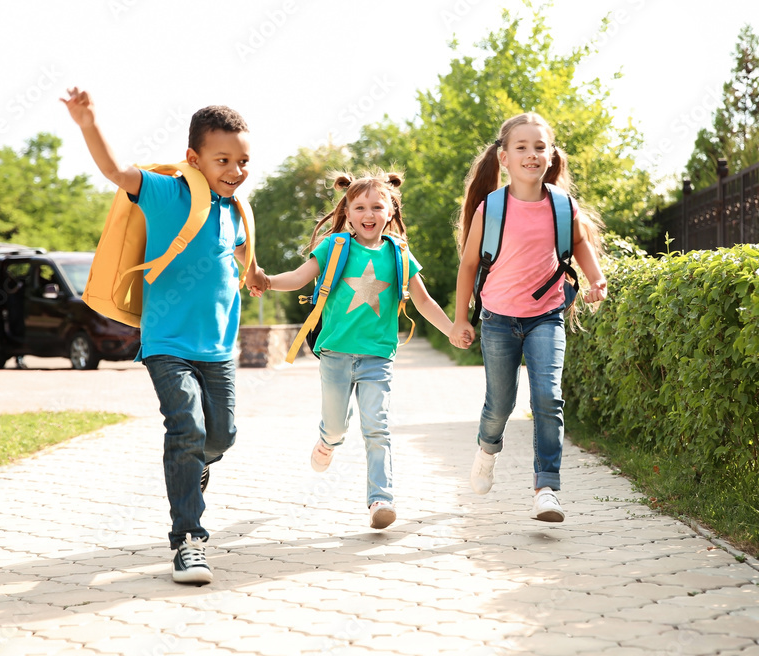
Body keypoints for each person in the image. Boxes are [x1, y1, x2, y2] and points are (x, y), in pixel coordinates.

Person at [62, 87, 268, 585]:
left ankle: (192, 465)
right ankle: (189, 541)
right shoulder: (165, 191)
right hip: (167, 344)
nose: (235, 170)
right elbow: (115, 172)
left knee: (221, 436)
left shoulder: (235, 212)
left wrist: (256, 273)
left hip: (218, 348)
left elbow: (238, 255)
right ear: (194, 158)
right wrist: (88, 122)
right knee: (187, 430)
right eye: (223, 160)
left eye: (243, 161)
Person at [257, 170, 469, 529]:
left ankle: (380, 500)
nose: (368, 214)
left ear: (391, 211)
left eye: (376, 206)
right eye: (359, 207)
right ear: (348, 211)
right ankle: (327, 440)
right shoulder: (335, 246)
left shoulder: (399, 253)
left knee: (378, 428)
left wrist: (450, 329)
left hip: (377, 357)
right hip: (336, 353)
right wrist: (267, 281)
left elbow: (423, 299)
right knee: (338, 427)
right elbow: (299, 276)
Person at [449, 112, 608, 523]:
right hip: (499, 319)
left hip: (546, 316)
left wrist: (597, 278)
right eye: (521, 147)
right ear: (503, 157)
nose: (531, 154)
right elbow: (468, 267)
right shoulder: (492, 207)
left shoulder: (562, 204)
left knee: (547, 398)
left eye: (540, 147)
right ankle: (487, 451)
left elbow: (578, 242)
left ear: (551, 155)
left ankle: (547, 487)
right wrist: (460, 319)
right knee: (499, 404)